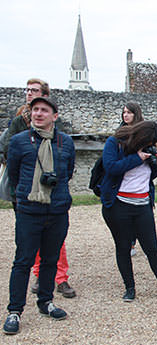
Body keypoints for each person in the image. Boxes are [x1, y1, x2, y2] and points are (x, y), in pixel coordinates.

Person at [3, 97, 75, 335]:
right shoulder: (19, 141)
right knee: (23, 261)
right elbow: (13, 174)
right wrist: (24, 197)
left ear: (55, 116)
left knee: (50, 259)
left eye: (44, 110)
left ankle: (45, 302)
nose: (38, 114)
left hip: (57, 210)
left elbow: (68, 171)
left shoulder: (65, 142)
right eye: (35, 110)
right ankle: (15, 310)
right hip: (30, 210)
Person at [100, 120, 157, 303]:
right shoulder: (115, 143)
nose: (149, 147)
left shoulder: (148, 148)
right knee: (123, 246)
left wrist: (155, 163)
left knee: (152, 248)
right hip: (119, 204)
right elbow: (111, 168)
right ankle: (130, 288)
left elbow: (149, 176)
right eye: (148, 143)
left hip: (142, 204)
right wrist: (137, 158)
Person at [118, 102, 145, 257]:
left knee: (142, 218)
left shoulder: (143, 132)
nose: (125, 115)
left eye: (129, 112)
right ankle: (130, 243)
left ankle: (145, 244)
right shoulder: (120, 133)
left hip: (141, 183)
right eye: (124, 112)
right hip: (124, 181)